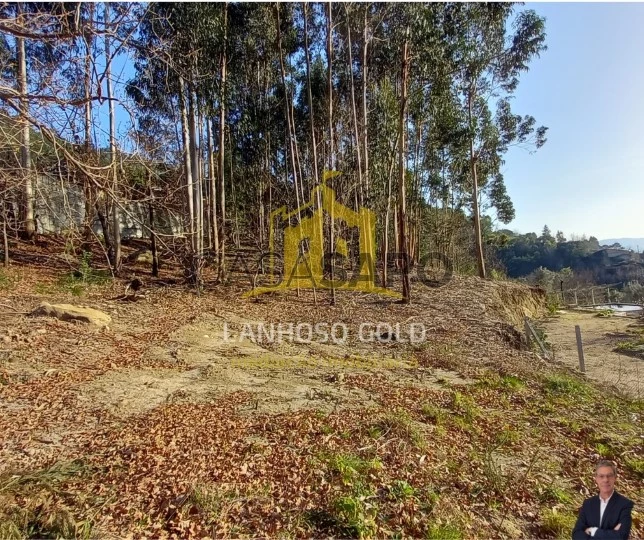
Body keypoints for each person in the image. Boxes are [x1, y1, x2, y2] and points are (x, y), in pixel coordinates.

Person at [572, 460, 634, 539]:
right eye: (601, 476)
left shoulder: (624, 504)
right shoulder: (588, 504)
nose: (605, 480)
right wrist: (610, 534)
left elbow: (621, 536)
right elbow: (576, 534)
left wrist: (593, 531)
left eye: (609, 476)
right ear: (596, 479)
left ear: (615, 478)